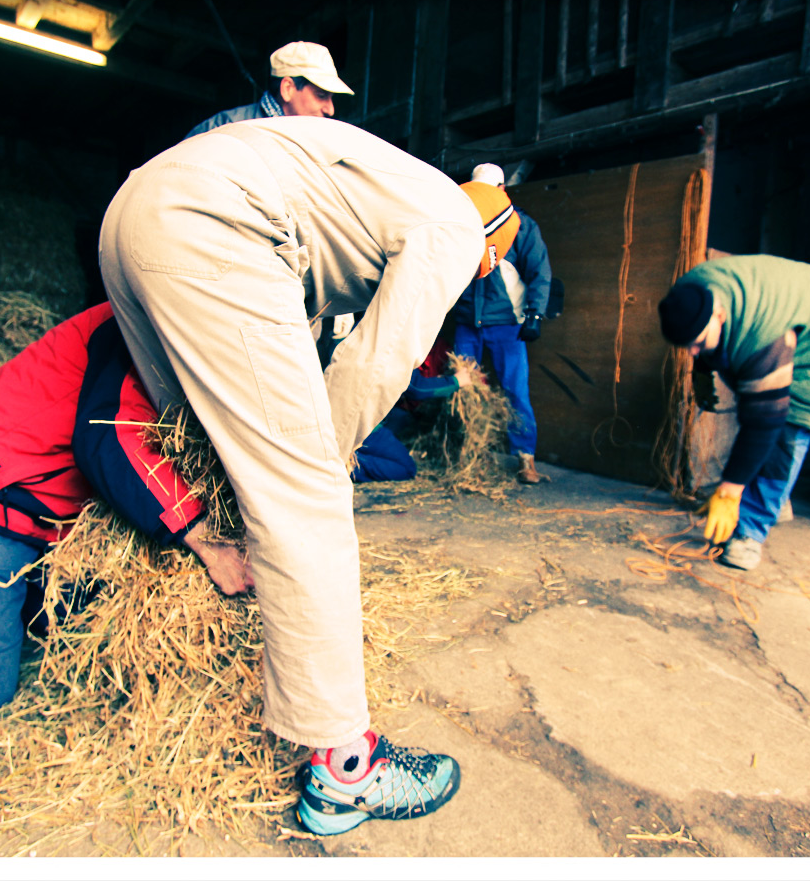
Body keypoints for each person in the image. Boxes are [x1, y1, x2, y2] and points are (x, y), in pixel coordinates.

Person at [97, 116, 519, 835]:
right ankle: (345, 773)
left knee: (200, 448)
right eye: (483, 270)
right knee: (306, 491)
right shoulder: (455, 227)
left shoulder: (391, 188)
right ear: (492, 247)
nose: (472, 280)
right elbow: (375, 362)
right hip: (215, 222)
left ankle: (185, 641)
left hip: (132, 212)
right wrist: (325, 454)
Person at [0, 302, 250, 720]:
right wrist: (209, 544)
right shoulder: (150, 314)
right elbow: (107, 439)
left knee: (61, 627)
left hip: (52, 512)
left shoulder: (211, 319)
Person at [659, 253, 810, 570]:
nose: (692, 352)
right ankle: (772, 496)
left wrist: (729, 492)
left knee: (790, 426)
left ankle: (751, 530)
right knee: (753, 399)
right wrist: (702, 371)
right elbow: (702, 337)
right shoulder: (690, 292)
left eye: (698, 344)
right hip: (786, 302)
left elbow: (764, 423)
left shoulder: (764, 338)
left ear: (720, 314)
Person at [451, 162, 553, 484]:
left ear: (502, 190)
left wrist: (535, 314)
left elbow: (540, 272)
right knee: (462, 389)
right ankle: (467, 456)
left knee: (514, 390)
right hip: (467, 322)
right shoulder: (459, 223)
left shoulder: (522, 226)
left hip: (507, 323)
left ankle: (525, 459)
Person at [351, 339, 471, 483]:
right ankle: (349, 465)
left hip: (346, 416)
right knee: (406, 468)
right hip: (362, 423)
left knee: (401, 422)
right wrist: (456, 381)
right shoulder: (395, 338)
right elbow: (416, 388)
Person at [185, 41, 353, 138]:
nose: (330, 110)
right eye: (321, 96)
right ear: (288, 88)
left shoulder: (316, 142)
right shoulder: (223, 128)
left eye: (331, 98)